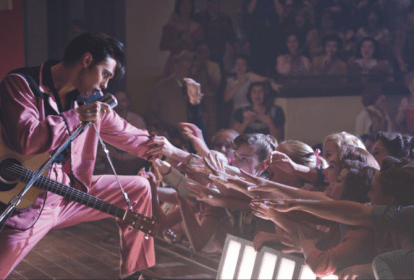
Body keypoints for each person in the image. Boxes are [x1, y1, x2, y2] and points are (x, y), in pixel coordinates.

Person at [0, 32, 160, 279]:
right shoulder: (21, 84)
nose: (106, 85)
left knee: (138, 189)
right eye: (105, 74)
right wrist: (77, 116)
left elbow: (132, 136)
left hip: (70, 193)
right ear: (86, 60)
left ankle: (134, 275)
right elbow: (27, 140)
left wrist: (180, 155)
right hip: (31, 203)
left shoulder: (89, 100)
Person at [145, 51, 204, 133]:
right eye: (184, 68)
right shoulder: (161, 86)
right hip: (168, 136)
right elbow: (150, 113)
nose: (187, 72)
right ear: (176, 67)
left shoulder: (194, 88)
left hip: (189, 137)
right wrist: (161, 129)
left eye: (189, 69)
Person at [224, 55, 282, 121]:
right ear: (234, 65)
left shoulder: (249, 76)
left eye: (243, 64)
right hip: (235, 111)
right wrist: (239, 83)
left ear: (247, 66)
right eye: (237, 64)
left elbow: (268, 79)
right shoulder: (230, 80)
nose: (240, 67)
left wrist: (273, 84)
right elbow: (226, 98)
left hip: (249, 110)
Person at [159, 0, 204, 78]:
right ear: (178, 6)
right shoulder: (170, 26)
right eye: (183, 4)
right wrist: (177, 43)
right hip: (174, 63)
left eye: (188, 4)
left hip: (190, 63)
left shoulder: (197, 28)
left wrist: (191, 44)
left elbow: (201, 49)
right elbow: (162, 46)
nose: (185, 6)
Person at [190, 42, 221, 143]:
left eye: (205, 52)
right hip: (194, 99)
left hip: (209, 98)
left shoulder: (214, 66)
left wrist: (206, 69)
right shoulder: (192, 65)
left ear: (209, 53)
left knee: (211, 125)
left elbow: (216, 86)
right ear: (196, 53)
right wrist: (198, 69)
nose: (203, 55)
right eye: (200, 52)